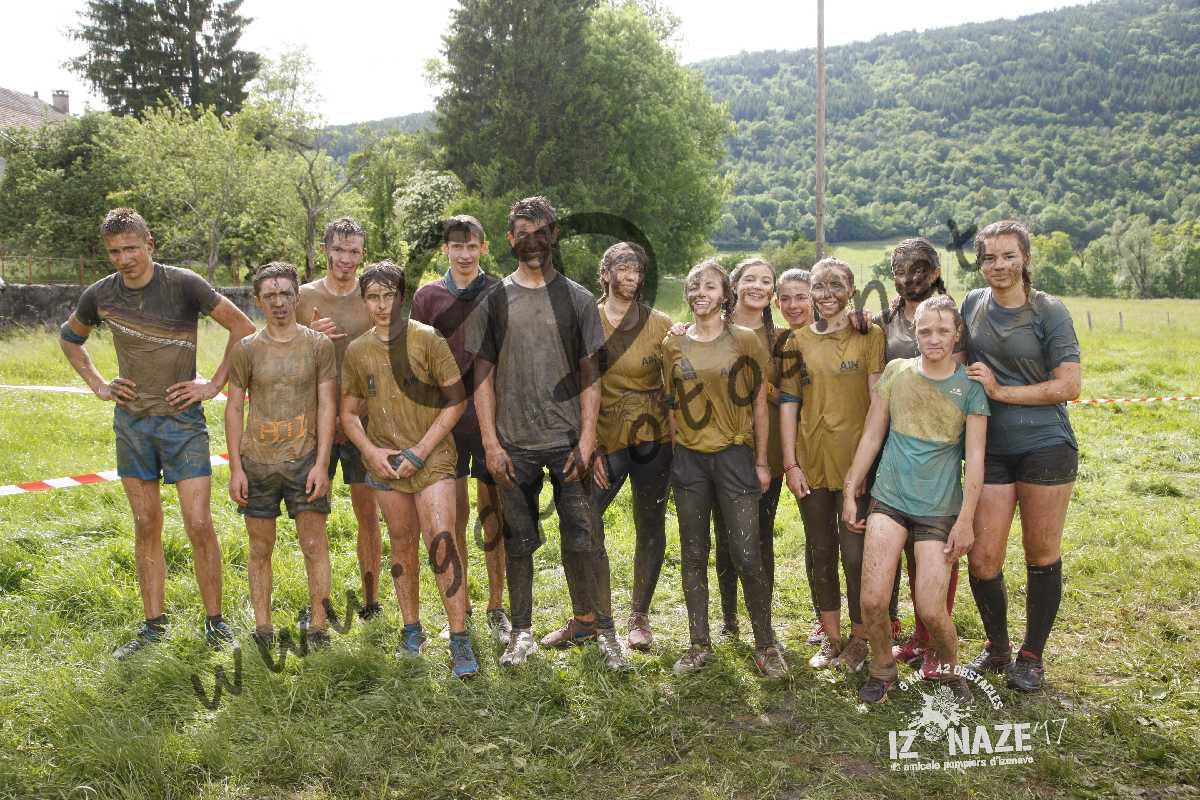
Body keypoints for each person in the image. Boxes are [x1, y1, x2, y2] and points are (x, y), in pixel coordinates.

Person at [59, 207, 255, 658]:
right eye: (114, 252)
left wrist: (213, 385)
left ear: (149, 244)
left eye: (131, 248)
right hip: (132, 424)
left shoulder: (183, 283)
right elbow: (70, 339)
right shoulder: (100, 294)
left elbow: (242, 328)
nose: (124, 258)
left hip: (183, 423)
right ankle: (153, 627)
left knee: (199, 523)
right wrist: (99, 384)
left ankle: (215, 623)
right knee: (146, 523)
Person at [468, 196, 625, 670]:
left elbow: (591, 377)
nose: (533, 242)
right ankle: (521, 634)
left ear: (554, 235)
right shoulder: (494, 300)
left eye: (541, 232)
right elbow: (482, 378)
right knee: (518, 542)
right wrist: (491, 443)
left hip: (568, 443)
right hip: (513, 446)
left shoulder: (578, 300)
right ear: (510, 239)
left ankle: (605, 632)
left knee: (586, 538)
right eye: (523, 234)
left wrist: (588, 439)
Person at [842, 295, 988, 704]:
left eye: (943, 331)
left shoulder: (970, 387)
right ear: (913, 333)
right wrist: (851, 487)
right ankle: (881, 669)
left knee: (931, 608)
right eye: (925, 331)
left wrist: (966, 519)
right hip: (890, 499)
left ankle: (950, 671)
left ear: (957, 333)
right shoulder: (896, 372)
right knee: (872, 599)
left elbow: (976, 460)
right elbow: (873, 433)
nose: (933, 338)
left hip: (939, 510)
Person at [340, 261, 479, 678]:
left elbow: (456, 401)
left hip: (432, 457)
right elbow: (349, 412)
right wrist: (370, 452)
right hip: (386, 462)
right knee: (401, 544)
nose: (382, 305)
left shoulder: (428, 339)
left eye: (389, 296)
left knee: (441, 540)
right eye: (373, 297)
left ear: (401, 297)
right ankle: (411, 630)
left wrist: (420, 450)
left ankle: (459, 638)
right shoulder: (357, 350)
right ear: (364, 301)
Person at [962, 220, 1081, 692]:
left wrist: (1000, 392)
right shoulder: (972, 303)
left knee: (1041, 552)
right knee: (982, 558)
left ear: (1025, 258)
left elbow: (1069, 385)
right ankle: (997, 649)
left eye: (1009, 255)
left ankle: (1031, 657)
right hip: (989, 448)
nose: (999, 265)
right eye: (989, 257)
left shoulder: (1048, 310)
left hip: (1045, 445)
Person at [663, 259, 787, 678]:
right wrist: (679, 455)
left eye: (710, 287)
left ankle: (765, 645)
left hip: (736, 457)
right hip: (690, 462)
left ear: (724, 295)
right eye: (694, 286)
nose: (700, 293)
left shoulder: (745, 340)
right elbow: (671, 405)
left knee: (747, 554)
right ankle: (699, 644)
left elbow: (759, 404)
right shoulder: (673, 345)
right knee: (693, 553)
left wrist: (761, 461)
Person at [779, 257, 885, 672]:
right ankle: (831, 635)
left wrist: (864, 469)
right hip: (811, 461)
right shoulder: (796, 341)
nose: (827, 294)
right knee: (820, 549)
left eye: (836, 285)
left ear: (851, 290)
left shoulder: (869, 335)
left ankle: (860, 638)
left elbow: (878, 405)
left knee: (855, 554)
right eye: (819, 286)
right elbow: (789, 404)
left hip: (857, 463)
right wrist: (791, 464)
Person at [410, 215, 510, 644]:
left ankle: (497, 605)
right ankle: (461, 603)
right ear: (445, 250)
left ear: (483, 248)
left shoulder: (500, 292)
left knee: (493, 514)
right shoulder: (427, 297)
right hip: (444, 421)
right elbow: (416, 359)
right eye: (457, 247)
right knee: (452, 516)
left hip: (491, 419)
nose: (465, 254)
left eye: (472, 246)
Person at [225, 262, 336, 648]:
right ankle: (263, 628)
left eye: (286, 293)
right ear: (258, 301)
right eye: (270, 295)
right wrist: (235, 468)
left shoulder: (318, 345)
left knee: (314, 545)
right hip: (258, 463)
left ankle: (319, 627)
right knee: (260, 548)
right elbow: (234, 408)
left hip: (305, 460)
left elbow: (327, 405)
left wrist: (322, 464)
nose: (279, 302)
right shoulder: (246, 349)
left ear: (297, 297)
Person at [875, 239, 965, 680]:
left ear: (935, 272)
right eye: (901, 269)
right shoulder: (884, 319)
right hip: (894, 445)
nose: (910, 277)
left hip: (939, 451)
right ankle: (903, 631)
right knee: (895, 544)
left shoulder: (948, 317)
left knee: (931, 552)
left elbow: (959, 380)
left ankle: (931, 639)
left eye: (919, 269)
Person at [297, 218, 383, 620]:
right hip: (314, 424)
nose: (346, 258)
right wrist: (309, 335)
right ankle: (319, 604)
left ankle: (371, 601)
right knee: (313, 516)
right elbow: (281, 352)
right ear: (325, 250)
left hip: (363, 423)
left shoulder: (372, 296)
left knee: (368, 514)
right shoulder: (302, 296)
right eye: (339, 250)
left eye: (354, 251)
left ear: (362, 254)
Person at [590, 242, 674, 650]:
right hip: (605, 436)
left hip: (653, 437)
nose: (631, 276)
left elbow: (681, 381)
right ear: (606, 273)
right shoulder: (586, 320)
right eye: (622, 268)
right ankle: (593, 613)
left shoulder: (660, 324)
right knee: (585, 515)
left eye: (637, 270)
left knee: (650, 521)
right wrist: (588, 445)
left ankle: (639, 615)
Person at [713, 258, 785, 641]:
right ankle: (729, 620)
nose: (758, 286)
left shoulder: (781, 339)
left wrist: (758, 384)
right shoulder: (711, 330)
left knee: (761, 536)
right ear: (735, 285)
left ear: (772, 292)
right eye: (750, 279)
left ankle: (763, 619)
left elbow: (790, 396)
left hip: (766, 452)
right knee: (725, 537)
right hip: (720, 449)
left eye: (766, 281)